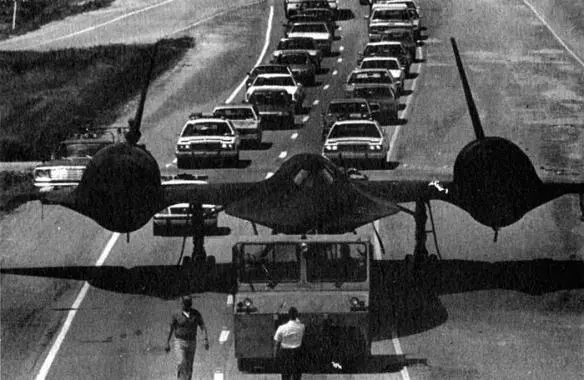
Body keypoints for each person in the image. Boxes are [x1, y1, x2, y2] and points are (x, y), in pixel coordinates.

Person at [165, 296, 209, 380]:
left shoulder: (196, 314)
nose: (184, 305)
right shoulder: (176, 314)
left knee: (189, 366)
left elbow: (202, 326)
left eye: (187, 303)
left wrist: (205, 339)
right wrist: (167, 342)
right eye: (183, 303)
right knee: (181, 363)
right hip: (180, 342)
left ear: (190, 303)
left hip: (192, 342)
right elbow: (170, 328)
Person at [273, 307, 305, 380]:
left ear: (288, 315)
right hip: (297, 353)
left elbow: (277, 344)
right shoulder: (301, 327)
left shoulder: (281, 328)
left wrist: (275, 356)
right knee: (297, 375)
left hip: (285, 353)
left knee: (285, 375)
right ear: (297, 315)